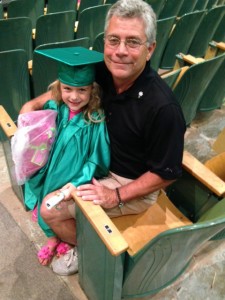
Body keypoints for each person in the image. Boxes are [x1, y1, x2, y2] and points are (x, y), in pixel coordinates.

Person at [20, 0, 186, 275]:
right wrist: (32, 106)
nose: (120, 51)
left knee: (50, 208)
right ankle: (66, 235)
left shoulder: (163, 108)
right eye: (113, 40)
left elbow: (166, 173)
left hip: (127, 181)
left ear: (150, 49)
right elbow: (66, 89)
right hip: (93, 162)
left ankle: (87, 252)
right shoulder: (103, 71)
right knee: (45, 177)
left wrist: (115, 195)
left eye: (133, 42)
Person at [22, 47, 110, 269]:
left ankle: (67, 238)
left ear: (92, 90)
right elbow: (38, 124)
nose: (74, 96)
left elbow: (96, 159)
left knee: (62, 205)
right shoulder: (56, 106)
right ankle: (53, 237)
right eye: (67, 88)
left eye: (82, 90)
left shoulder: (95, 118)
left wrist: (78, 181)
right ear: (59, 88)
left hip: (75, 176)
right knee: (46, 192)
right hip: (52, 166)